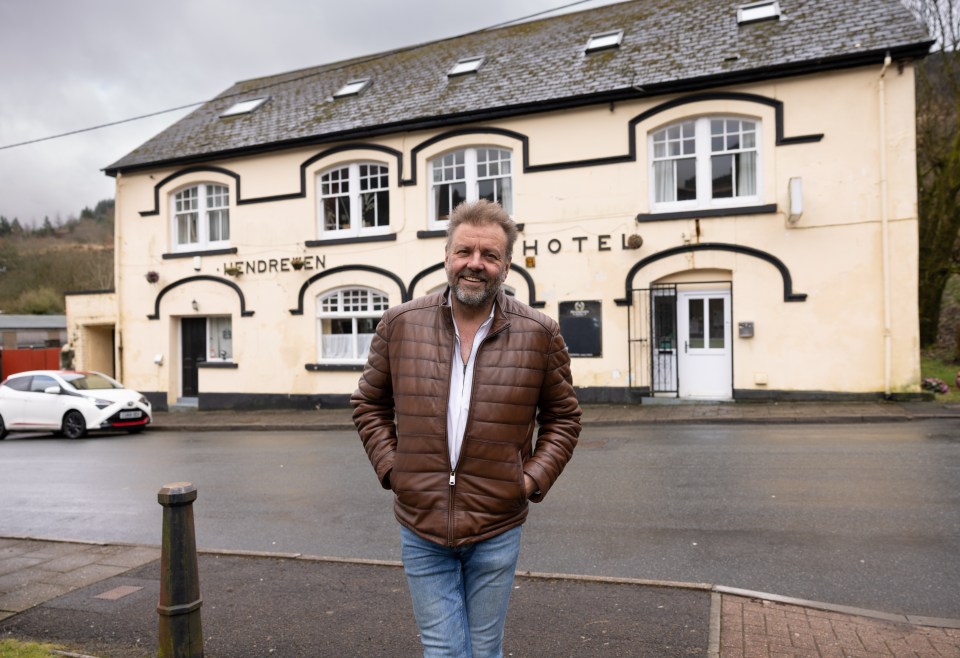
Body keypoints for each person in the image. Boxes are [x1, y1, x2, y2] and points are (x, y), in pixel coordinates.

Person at [352, 199, 582, 657]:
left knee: (484, 649)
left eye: (489, 255)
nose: (475, 264)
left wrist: (529, 480)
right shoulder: (400, 323)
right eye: (465, 252)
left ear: (506, 265)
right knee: (443, 650)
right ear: (447, 257)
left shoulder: (539, 332)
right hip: (421, 524)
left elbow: (564, 418)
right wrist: (396, 471)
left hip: (498, 523)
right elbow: (369, 403)